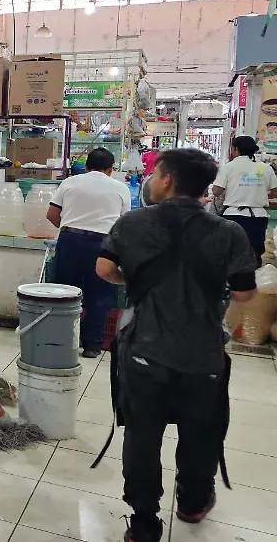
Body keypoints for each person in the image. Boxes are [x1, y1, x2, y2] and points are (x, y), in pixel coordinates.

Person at [96, 149, 257, 542]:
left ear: (167, 180)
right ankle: (192, 502)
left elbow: (104, 269)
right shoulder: (229, 232)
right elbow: (244, 294)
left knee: (142, 436)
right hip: (203, 357)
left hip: (144, 354)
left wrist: (139, 281)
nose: (150, 180)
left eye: (154, 173)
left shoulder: (133, 223)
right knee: (200, 433)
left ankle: (144, 523)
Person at [46, 147, 131, 358]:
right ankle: (92, 344)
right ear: (111, 169)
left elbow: (52, 214)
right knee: (99, 294)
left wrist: (67, 228)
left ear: (85, 166)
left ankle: (62, 340)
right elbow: (123, 224)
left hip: (70, 241)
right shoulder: (121, 188)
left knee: (65, 292)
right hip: (103, 244)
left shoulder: (69, 183)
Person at [211, 135, 277, 264]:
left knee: (231, 251)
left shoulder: (228, 167)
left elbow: (216, 191)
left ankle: (231, 275)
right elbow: (275, 193)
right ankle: (253, 273)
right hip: (258, 216)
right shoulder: (266, 168)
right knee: (255, 251)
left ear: (236, 149)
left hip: (233, 215)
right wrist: (257, 193)